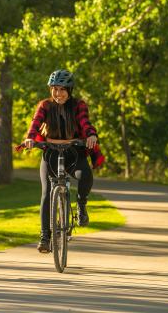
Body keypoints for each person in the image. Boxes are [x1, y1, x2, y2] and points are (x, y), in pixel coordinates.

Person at [23, 69, 104, 253]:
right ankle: (45, 236)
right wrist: (30, 138)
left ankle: (81, 205)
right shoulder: (45, 105)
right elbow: (35, 124)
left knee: (85, 176)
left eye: (62, 89)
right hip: (50, 152)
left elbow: (85, 123)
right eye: (54, 89)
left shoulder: (79, 105)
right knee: (46, 192)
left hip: (74, 152)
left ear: (69, 90)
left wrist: (91, 135)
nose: (58, 93)